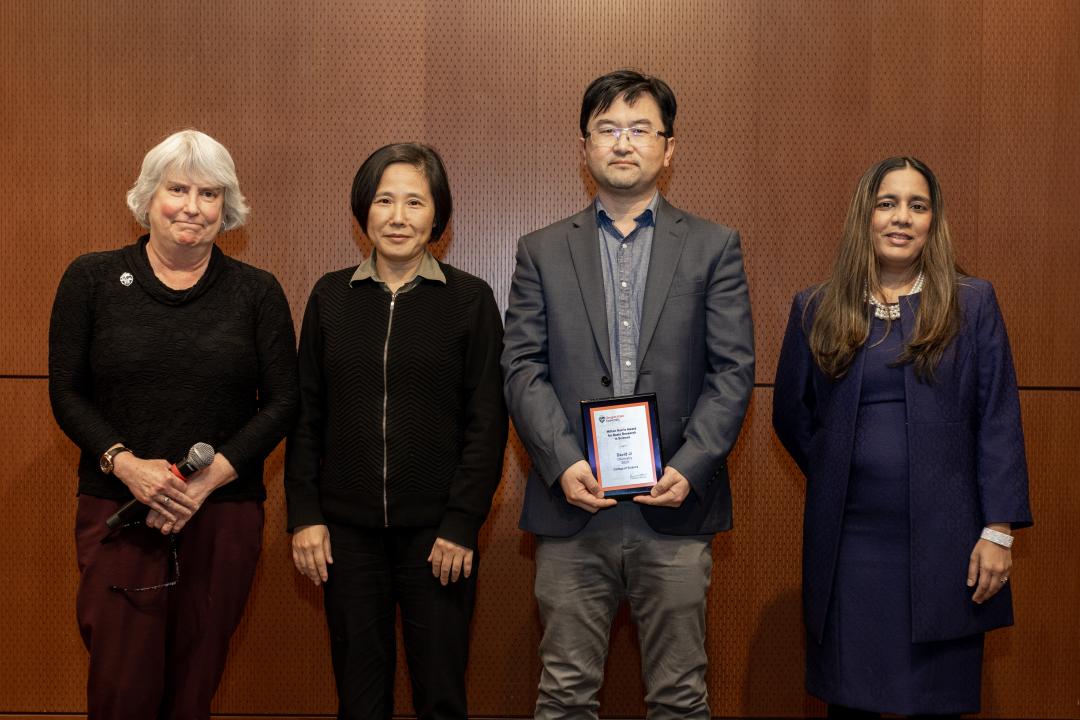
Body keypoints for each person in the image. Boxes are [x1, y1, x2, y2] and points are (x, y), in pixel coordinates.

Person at [502, 69, 755, 719]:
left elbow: (732, 371)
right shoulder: (540, 251)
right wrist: (563, 464)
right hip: (572, 510)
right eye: (606, 129)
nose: (623, 143)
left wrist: (691, 465)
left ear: (668, 149)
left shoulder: (713, 247)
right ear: (583, 147)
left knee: (679, 695)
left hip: (674, 507)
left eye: (640, 129)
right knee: (563, 693)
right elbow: (522, 367)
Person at [48, 129, 299, 718]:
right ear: (148, 197)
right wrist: (126, 465)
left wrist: (202, 485)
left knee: (194, 688)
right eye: (178, 189)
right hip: (119, 509)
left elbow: (285, 401)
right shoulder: (92, 279)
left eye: (210, 194)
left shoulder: (256, 292)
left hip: (222, 513)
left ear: (226, 208)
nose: (193, 206)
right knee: (121, 689)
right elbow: (66, 392)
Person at [772, 156, 1033, 718]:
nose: (901, 217)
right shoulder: (815, 308)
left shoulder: (973, 303)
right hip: (850, 547)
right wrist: (841, 466)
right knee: (851, 700)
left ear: (933, 221)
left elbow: (998, 417)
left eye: (918, 206)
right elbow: (792, 415)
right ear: (864, 216)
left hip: (948, 544)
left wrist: (999, 531)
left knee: (934, 702)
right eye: (887, 203)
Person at [285, 142, 507, 720]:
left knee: (440, 694)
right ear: (364, 210)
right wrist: (305, 515)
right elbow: (305, 417)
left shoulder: (469, 300)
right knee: (359, 699)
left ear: (438, 215)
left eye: (415, 201)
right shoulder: (331, 297)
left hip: (439, 539)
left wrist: (462, 523)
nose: (398, 216)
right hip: (345, 537)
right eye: (384, 200)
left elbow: (487, 423)